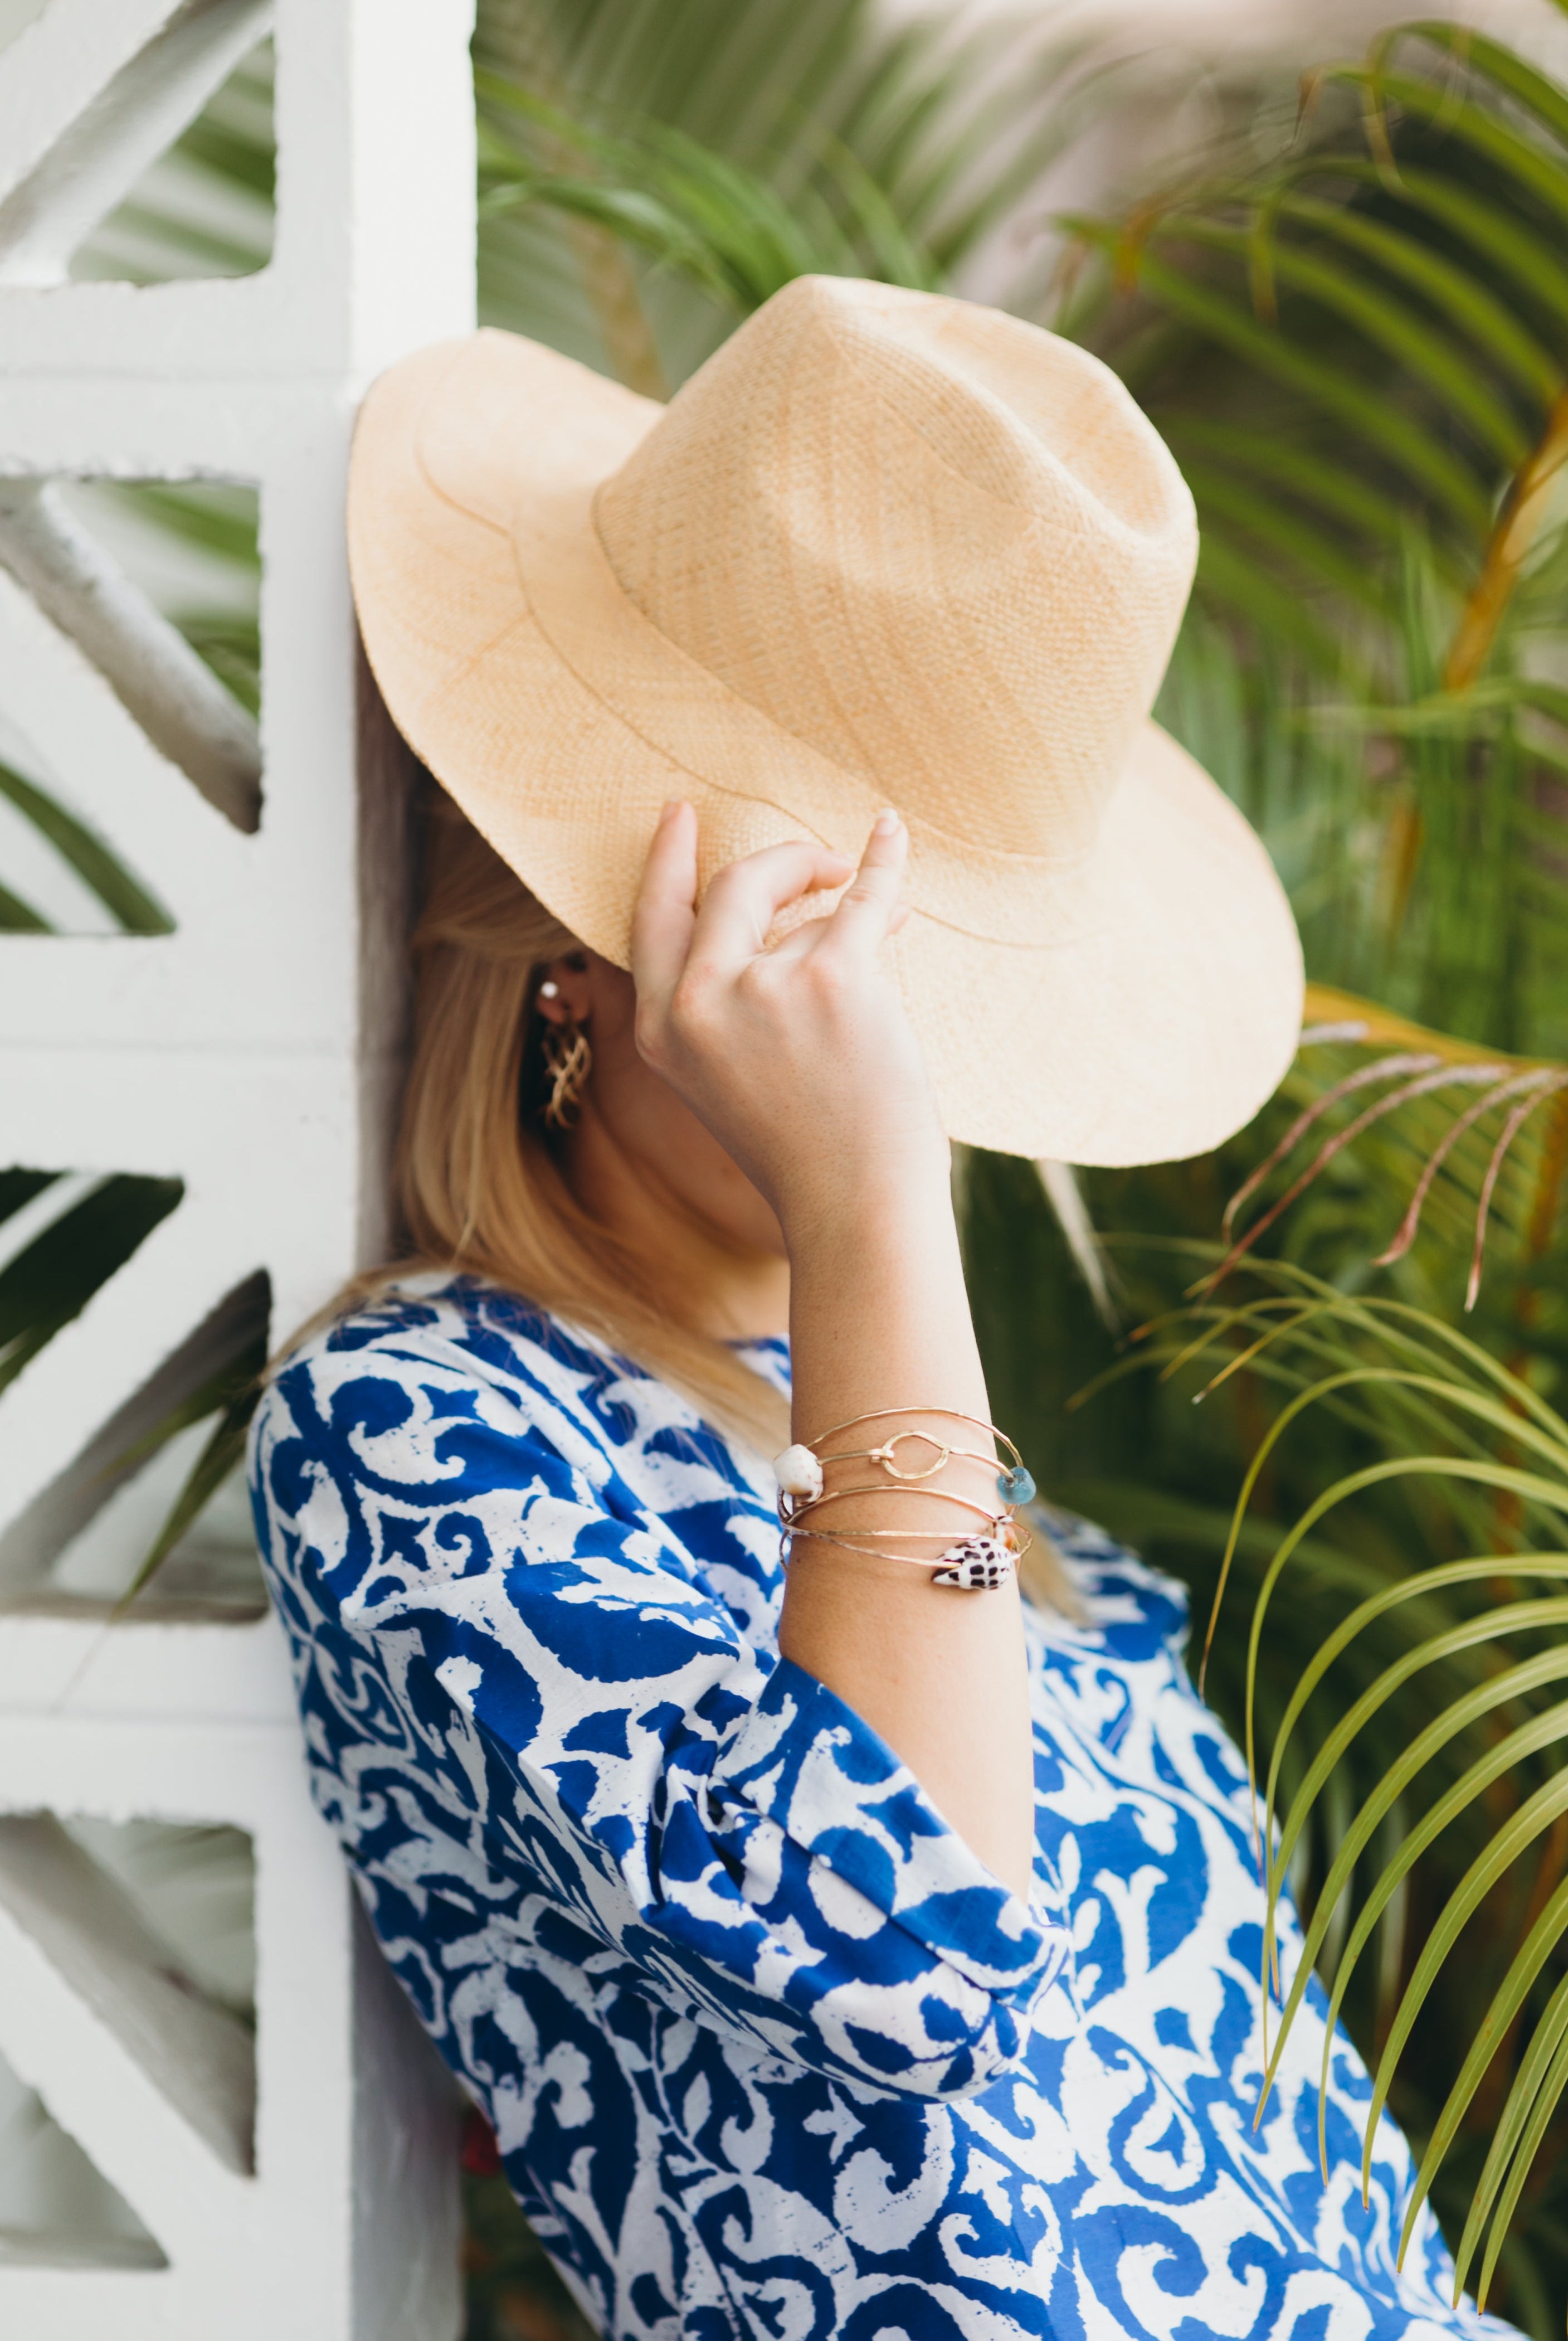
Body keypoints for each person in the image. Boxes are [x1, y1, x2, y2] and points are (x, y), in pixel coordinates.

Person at [249, 277, 1499, 2340]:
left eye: (938, 982)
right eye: (834, 949)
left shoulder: (976, 1495)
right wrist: (870, 1198)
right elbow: (903, 1956)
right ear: (583, 946)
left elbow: (1306, 2200)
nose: (910, 1059)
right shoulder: (420, 1421)